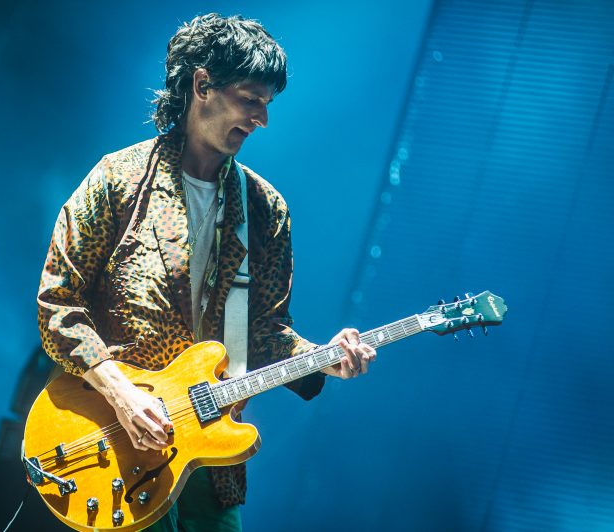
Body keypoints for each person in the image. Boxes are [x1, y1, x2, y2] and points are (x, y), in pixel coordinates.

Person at [37, 13, 376, 531]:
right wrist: (121, 393)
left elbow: (265, 332)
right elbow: (58, 304)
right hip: (116, 447)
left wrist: (325, 358)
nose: (262, 118)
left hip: (214, 461)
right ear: (202, 86)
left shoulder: (265, 210)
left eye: (267, 103)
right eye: (251, 99)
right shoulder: (117, 180)